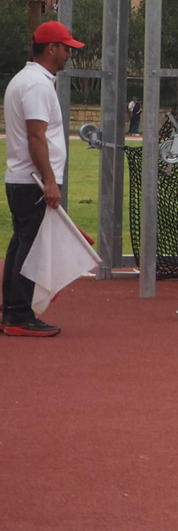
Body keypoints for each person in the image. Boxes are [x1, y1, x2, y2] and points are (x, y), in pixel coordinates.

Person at [4, 20, 84, 336]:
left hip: (22, 179)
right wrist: (50, 182)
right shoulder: (37, 84)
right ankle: (20, 315)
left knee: (20, 244)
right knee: (31, 249)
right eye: (66, 48)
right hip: (34, 181)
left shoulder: (26, 79)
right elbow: (36, 137)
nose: (69, 54)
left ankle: (11, 310)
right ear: (51, 48)